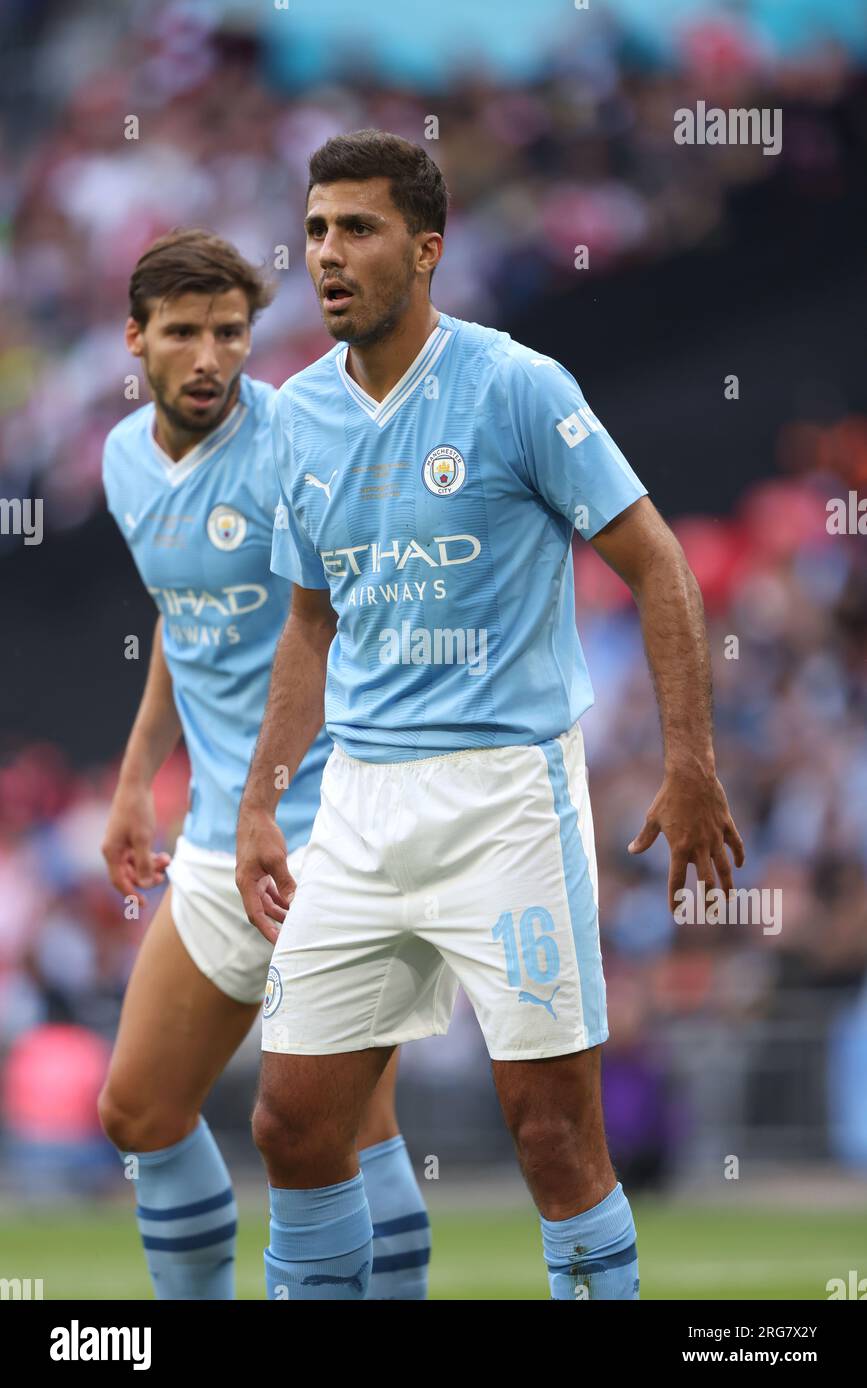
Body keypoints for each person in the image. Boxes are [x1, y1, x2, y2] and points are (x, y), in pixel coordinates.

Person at [236, 130, 744, 1301]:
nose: (327, 254)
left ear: (426, 251)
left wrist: (690, 759)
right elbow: (309, 625)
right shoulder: (298, 416)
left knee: (555, 1139)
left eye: (356, 229)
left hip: (505, 794)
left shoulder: (517, 386)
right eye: (314, 230)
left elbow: (660, 566)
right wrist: (263, 799)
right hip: (359, 805)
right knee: (291, 1123)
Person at [98, 229, 432, 1300]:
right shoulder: (119, 460)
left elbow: (355, 613)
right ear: (136, 338)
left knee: (323, 1126)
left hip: (331, 827)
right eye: (185, 333)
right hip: (209, 835)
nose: (208, 357)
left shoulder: (297, 439)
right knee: (143, 1111)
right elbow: (181, 621)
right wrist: (134, 777)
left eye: (230, 333)